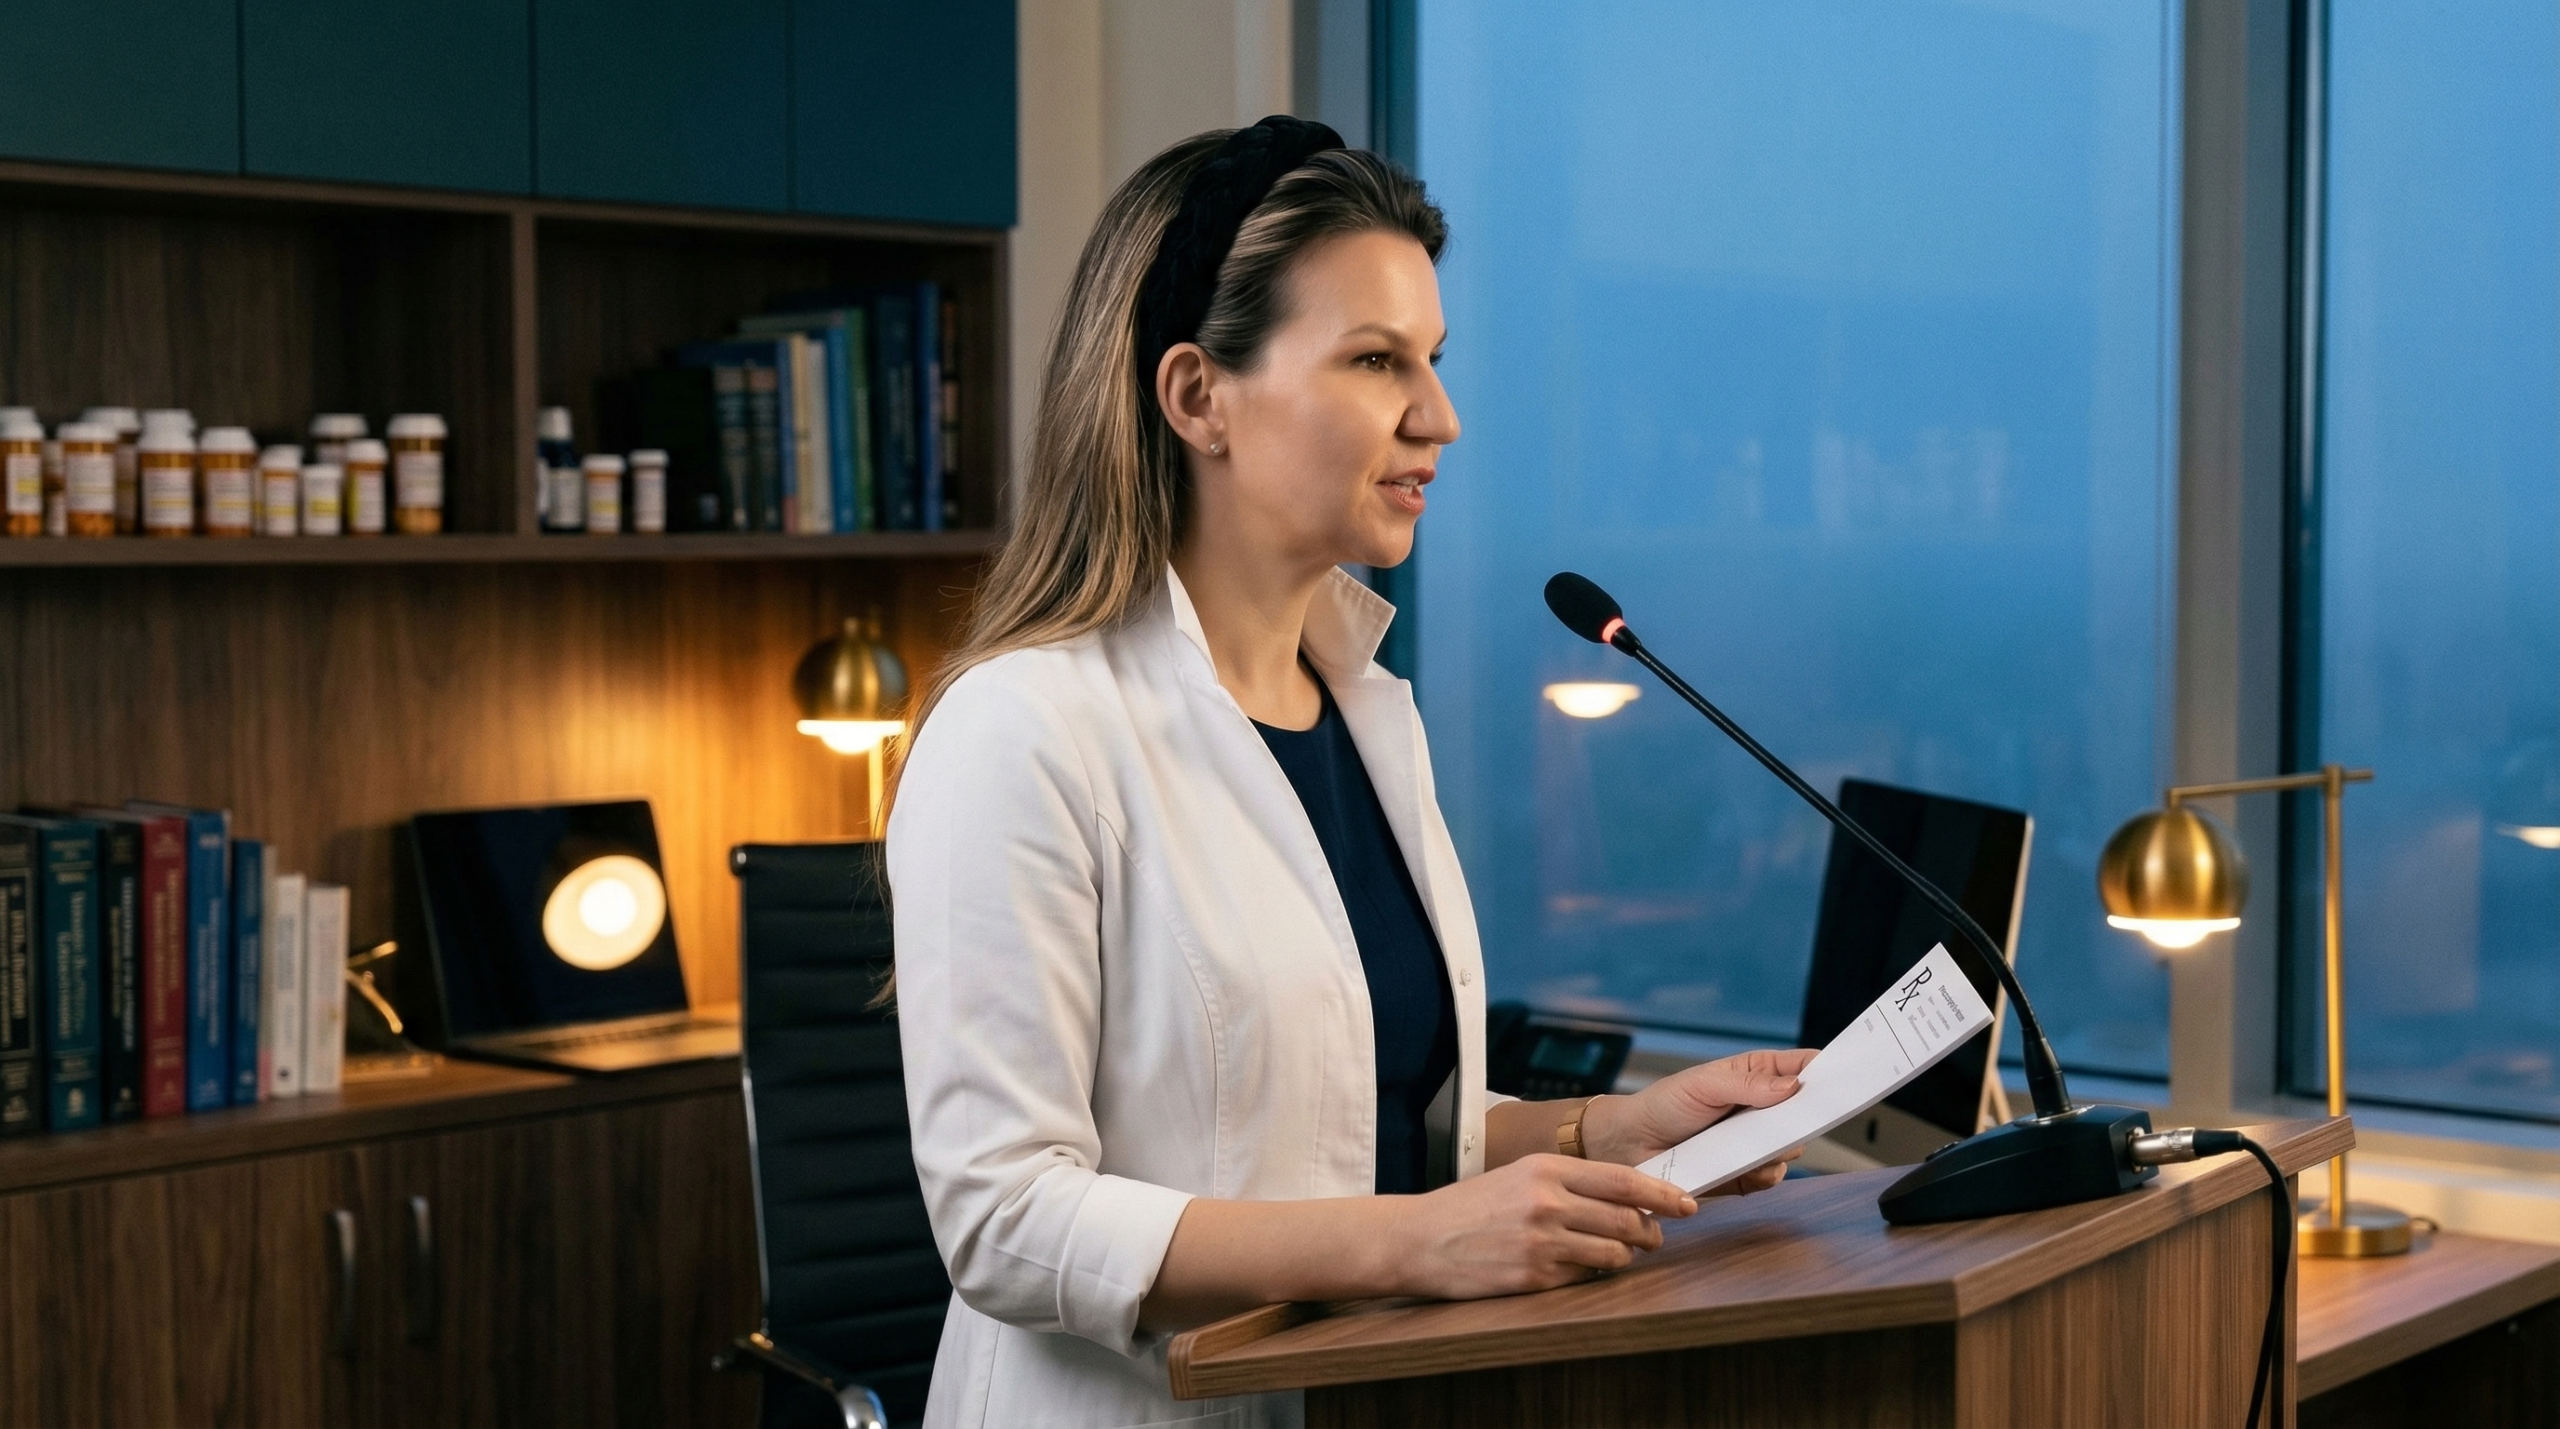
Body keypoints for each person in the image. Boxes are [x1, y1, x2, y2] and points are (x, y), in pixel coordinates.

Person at [888, 116, 1815, 1429]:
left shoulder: (1369, 711)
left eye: (1432, 361)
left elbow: (1351, 1118)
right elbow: (1002, 1218)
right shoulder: (1023, 732)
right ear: (1197, 395)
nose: (1437, 418)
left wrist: (1617, 1134)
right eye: (1378, 361)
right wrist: (1416, 1242)